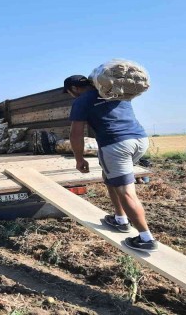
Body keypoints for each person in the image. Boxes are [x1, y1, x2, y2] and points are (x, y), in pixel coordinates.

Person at [64, 75, 158, 252]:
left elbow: (75, 134)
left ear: (74, 89)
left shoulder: (82, 100)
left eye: (69, 92)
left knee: (126, 191)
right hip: (140, 139)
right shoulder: (115, 93)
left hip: (115, 144)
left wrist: (79, 158)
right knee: (109, 176)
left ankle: (146, 238)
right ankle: (120, 219)